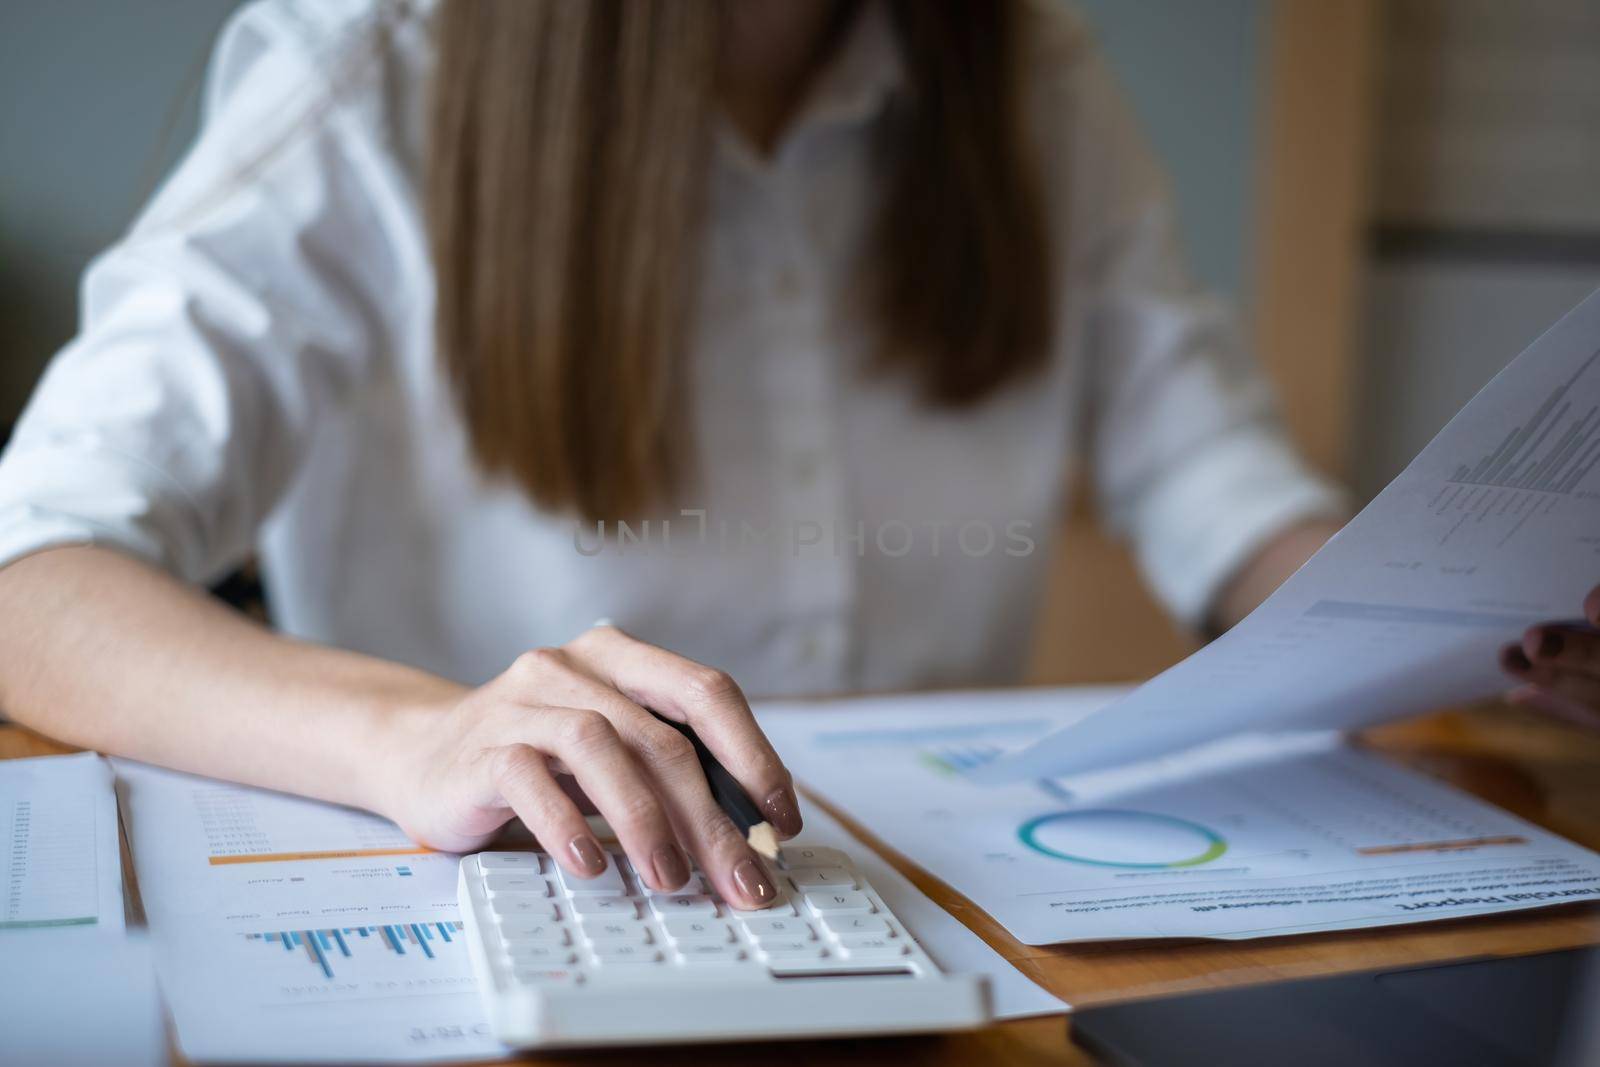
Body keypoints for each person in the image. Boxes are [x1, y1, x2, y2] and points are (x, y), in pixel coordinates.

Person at [0, 0, 1592, 911]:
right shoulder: (371, 65)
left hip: (969, 923)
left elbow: (1226, 500)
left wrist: (1492, 617)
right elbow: (34, 571)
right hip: (528, 919)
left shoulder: (1033, 86)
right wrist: (421, 738)